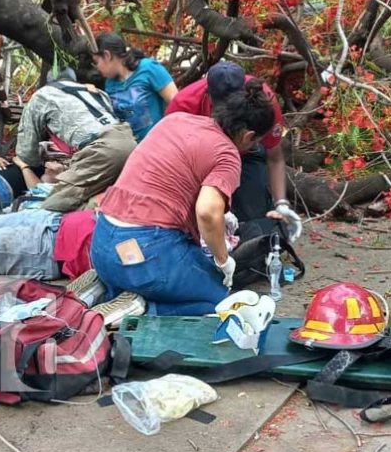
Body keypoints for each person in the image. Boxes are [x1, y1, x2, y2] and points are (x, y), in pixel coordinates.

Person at [90, 82, 276, 315]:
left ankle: (110, 292)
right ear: (249, 136)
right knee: (220, 304)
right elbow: (207, 212)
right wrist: (223, 260)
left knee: (182, 272)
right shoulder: (227, 154)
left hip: (103, 242)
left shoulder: (175, 120)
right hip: (148, 254)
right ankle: (146, 309)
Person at [166, 61, 302, 242]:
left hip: (246, 153)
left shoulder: (264, 101)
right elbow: (171, 162)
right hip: (196, 162)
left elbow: (274, 157)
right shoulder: (184, 105)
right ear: (209, 94)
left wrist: (281, 204)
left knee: (255, 223)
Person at [15, 67, 137, 213]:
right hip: (131, 144)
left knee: (54, 206)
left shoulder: (43, 95)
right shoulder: (96, 92)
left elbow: (27, 153)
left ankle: (90, 212)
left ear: (50, 82)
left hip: (102, 150)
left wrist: (34, 164)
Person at [92, 33, 178, 141]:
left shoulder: (148, 68)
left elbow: (176, 102)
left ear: (107, 55)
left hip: (160, 142)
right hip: (131, 150)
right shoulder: (110, 83)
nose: (97, 68)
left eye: (97, 62)